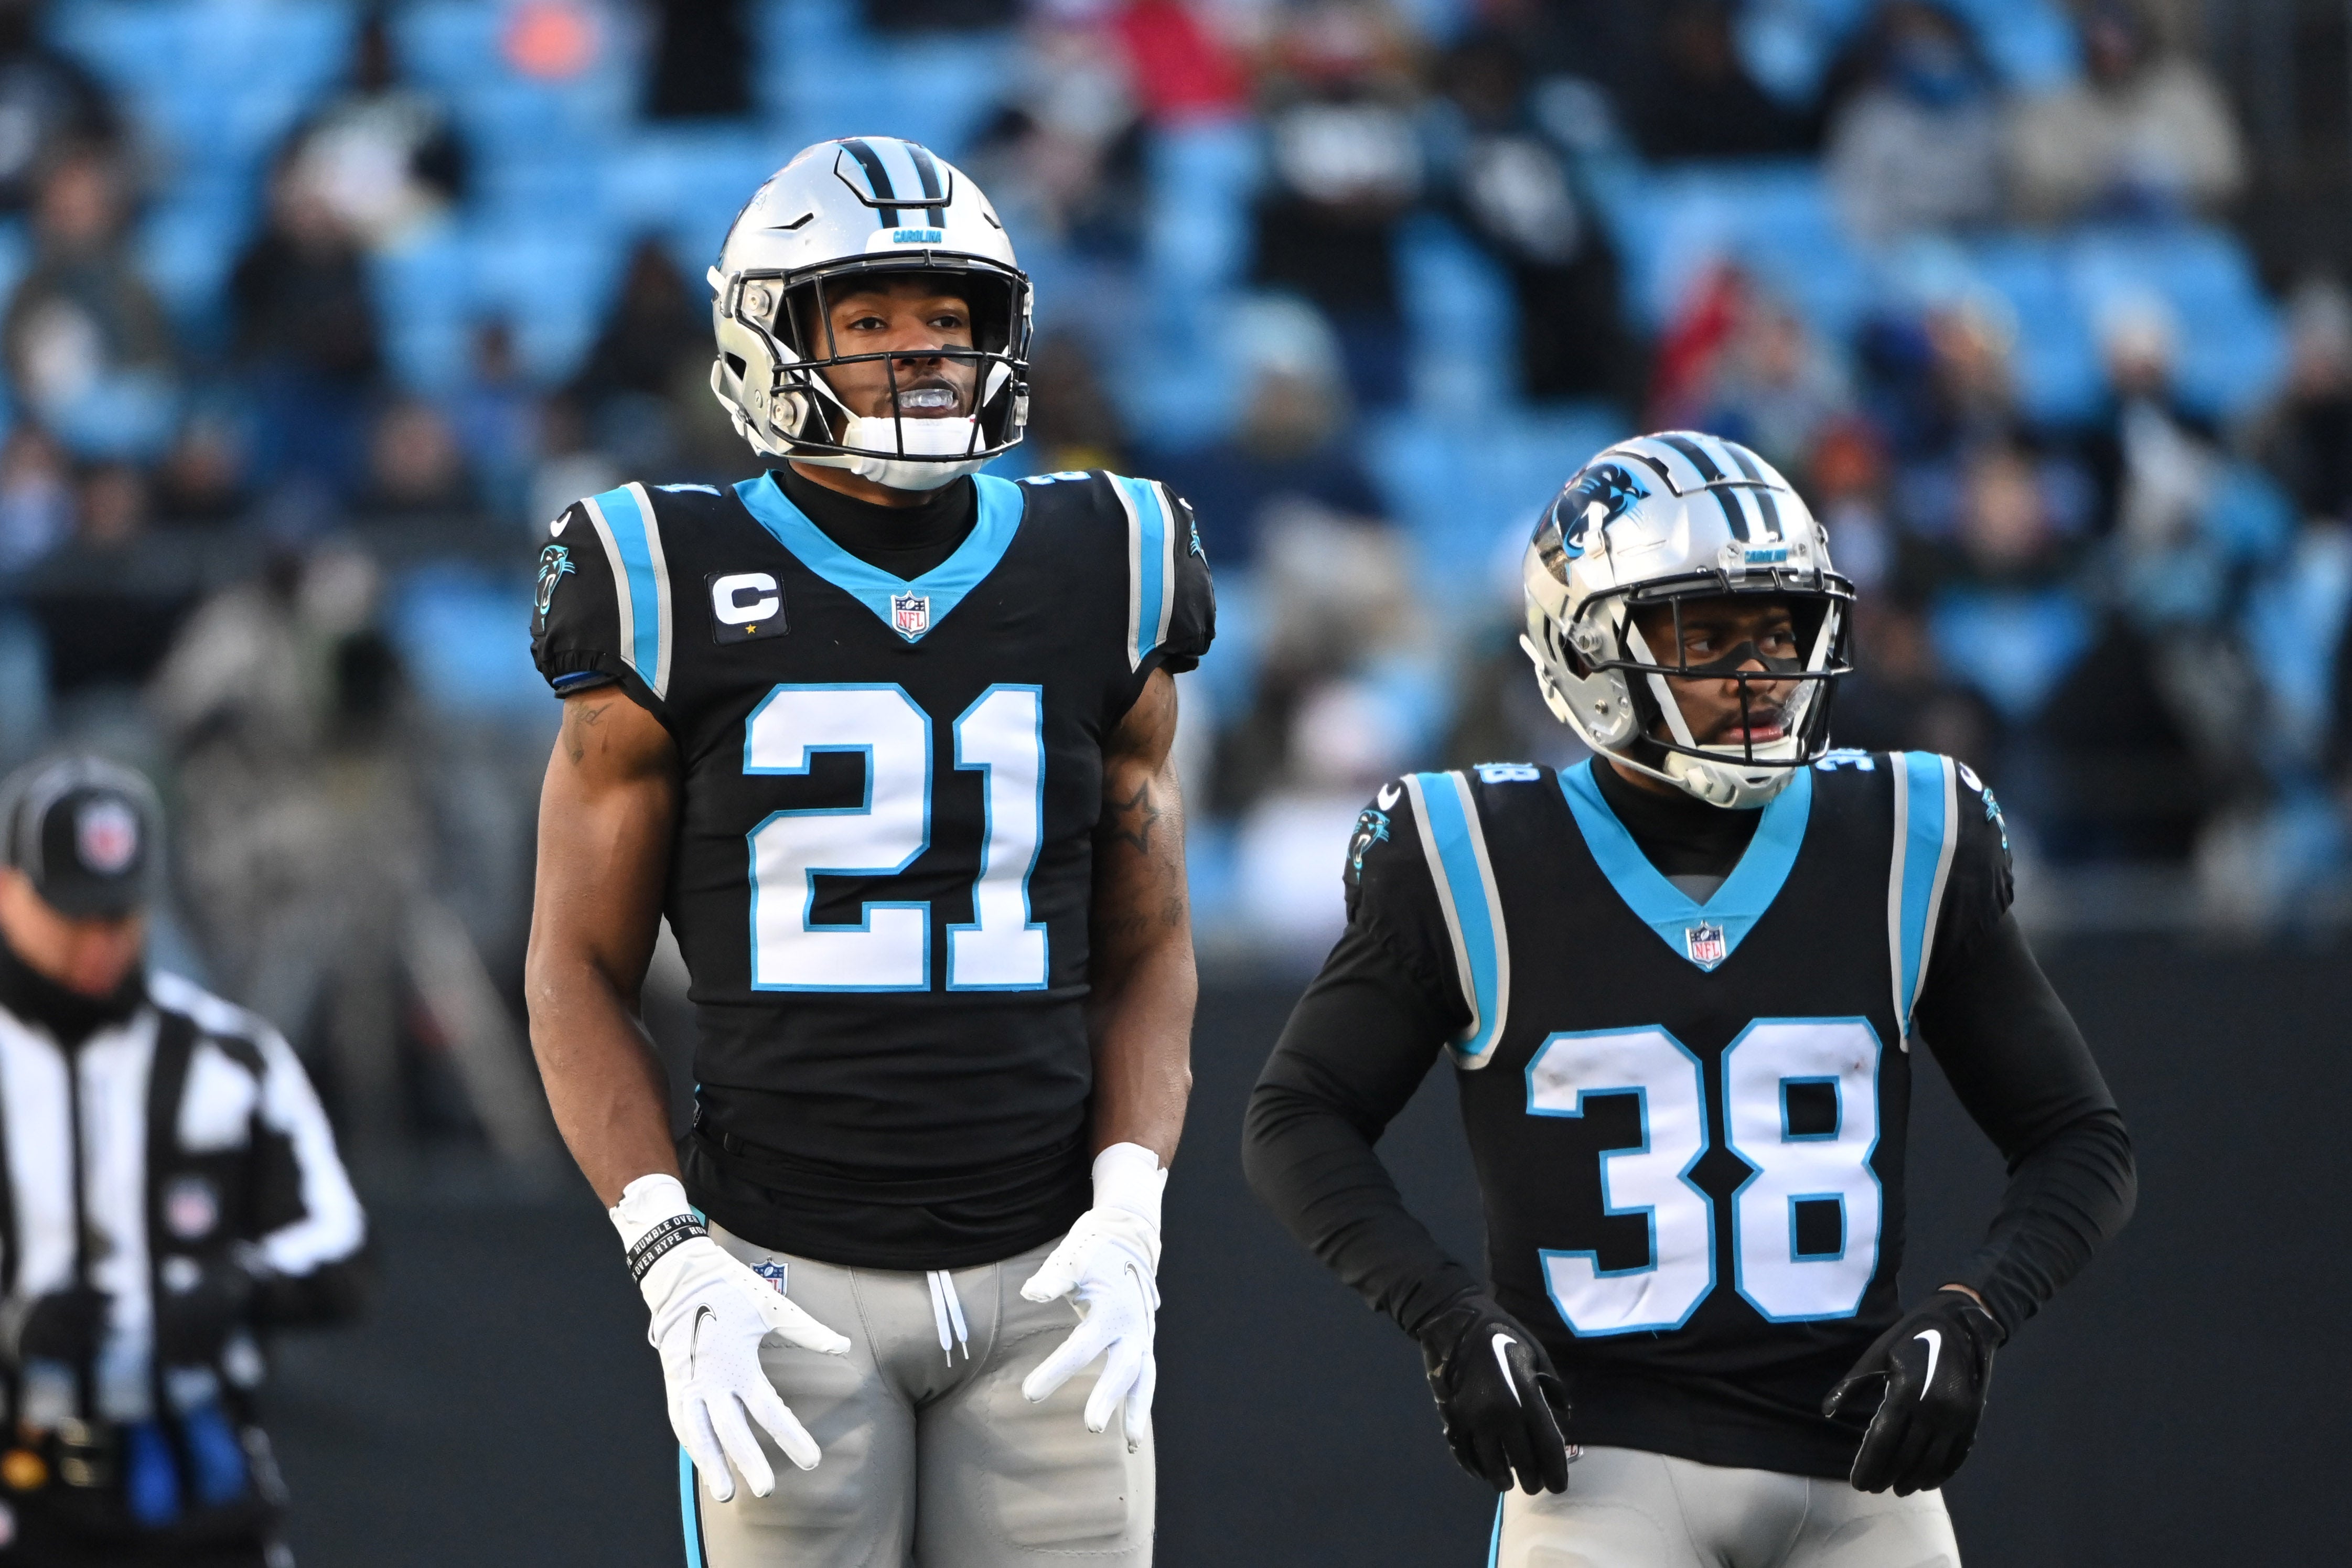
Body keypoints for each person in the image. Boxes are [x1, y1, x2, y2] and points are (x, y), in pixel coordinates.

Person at [1244, 433, 2134, 1566]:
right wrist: (1446, 1315)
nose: (1758, 671)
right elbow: (1295, 1114)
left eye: (1777, 630)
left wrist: (1975, 1308)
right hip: (1600, 1468)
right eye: (1703, 634)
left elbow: (2078, 1136)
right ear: (1585, 648)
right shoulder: (1472, 853)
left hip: (1859, 1463)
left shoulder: (1906, 835)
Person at [525, 136, 1212, 1566]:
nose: (921, 354)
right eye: (870, 318)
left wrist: (1132, 1202)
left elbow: (1145, 940)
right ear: (772, 338)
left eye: (946, 317)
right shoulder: (658, 574)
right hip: (781, 1273)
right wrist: (667, 1253)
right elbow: (574, 966)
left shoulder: (1110, 557)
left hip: (1050, 1276)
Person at [0, 755, 366, 1566]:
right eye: (73, 916)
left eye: (118, 914)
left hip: (198, 1475)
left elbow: (341, 1247)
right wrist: (16, 1322)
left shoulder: (229, 1060)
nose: (100, 942)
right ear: (7, 892)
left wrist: (241, 1285)